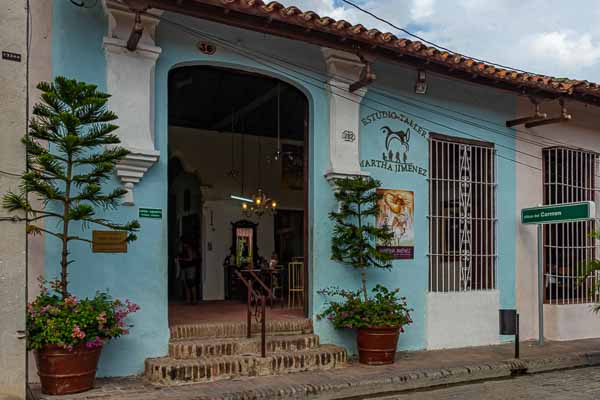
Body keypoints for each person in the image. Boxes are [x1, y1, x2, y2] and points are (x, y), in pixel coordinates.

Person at [176, 238, 200, 304]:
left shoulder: (189, 248)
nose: (180, 244)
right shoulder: (181, 249)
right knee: (186, 284)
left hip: (190, 267)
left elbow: (190, 259)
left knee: (191, 283)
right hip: (184, 268)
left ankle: (194, 300)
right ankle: (188, 300)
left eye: (180, 242)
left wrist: (180, 259)